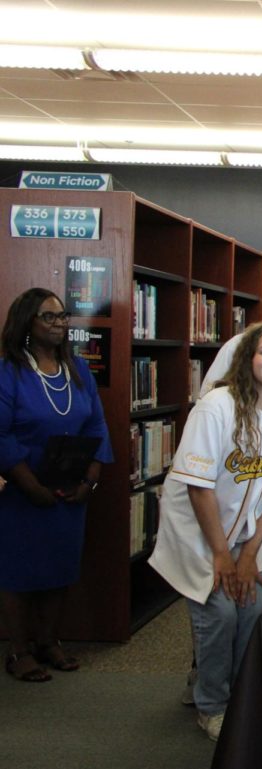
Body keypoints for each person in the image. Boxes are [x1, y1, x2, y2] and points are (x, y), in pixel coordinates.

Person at [149, 322, 262, 740]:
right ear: (246, 360)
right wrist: (222, 555)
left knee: (252, 608)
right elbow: (199, 488)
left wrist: (250, 554)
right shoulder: (217, 405)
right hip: (200, 531)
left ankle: (235, 695)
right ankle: (213, 705)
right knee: (218, 614)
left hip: (245, 534)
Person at [0, 289, 113, 682]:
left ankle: (49, 642)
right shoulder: (9, 372)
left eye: (63, 316)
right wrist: (31, 486)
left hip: (71, 492)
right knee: (19, 573)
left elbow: (96, 426)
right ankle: (17, 651)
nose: (60, 323)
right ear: (26, 323)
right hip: (23, 492)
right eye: (48, 317)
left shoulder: (78, 370)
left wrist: (90, 479)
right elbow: (2, 435)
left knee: (59, 568)